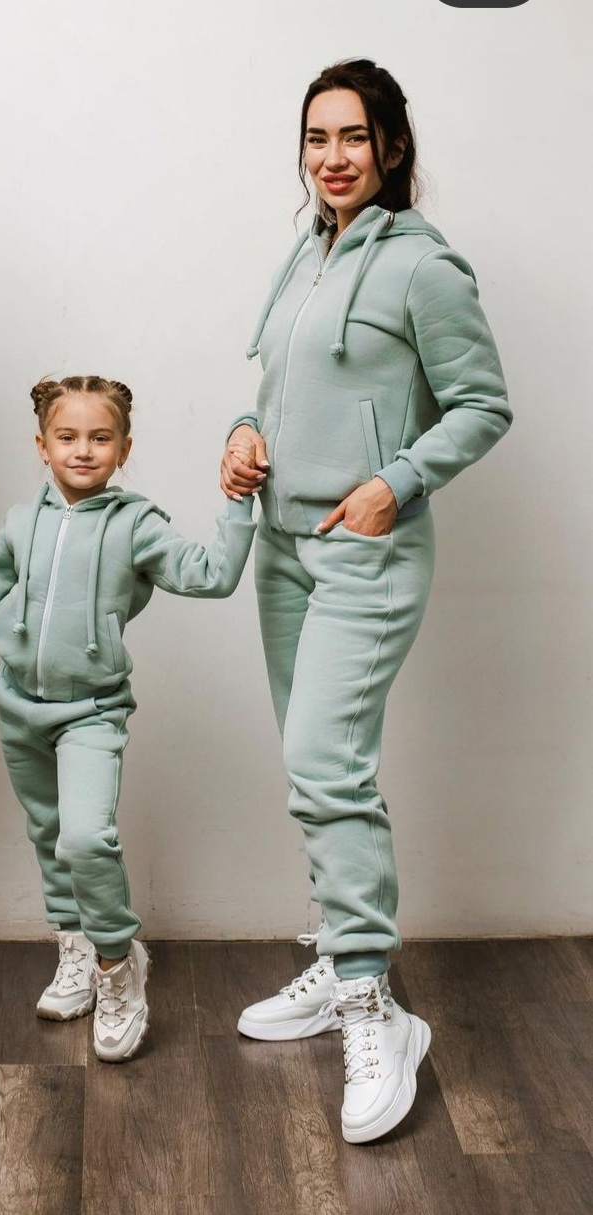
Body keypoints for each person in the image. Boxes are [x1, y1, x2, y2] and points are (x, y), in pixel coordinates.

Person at [221, 59, 511, 1143]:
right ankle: (347, 955)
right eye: (316, 138)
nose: (332, 157)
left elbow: (482, 405)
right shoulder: (308, 253)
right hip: (282, 547)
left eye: (353, 137)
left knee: (323, 764)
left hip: (366, 551)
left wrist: (396, 481)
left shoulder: (425, 266)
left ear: (391, 146)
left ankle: (370, 1003)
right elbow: (284, 393)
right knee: (319, 771)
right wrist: (245, 438)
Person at [0, 376, 255, 1062]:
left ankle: (116, 963)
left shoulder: (136, 524)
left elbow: (212, 574)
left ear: (124, 448)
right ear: (41, 445)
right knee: (50, 835)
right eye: (67, 436)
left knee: (85, 837)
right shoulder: (21, 523)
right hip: (19, 708)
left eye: (101, 437)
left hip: (92, 712)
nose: (83, 450)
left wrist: (239, 502)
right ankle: (73, 947)